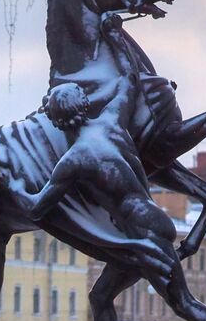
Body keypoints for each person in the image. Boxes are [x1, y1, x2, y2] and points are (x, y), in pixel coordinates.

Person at [11, 79, 177, 254]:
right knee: (111, 281)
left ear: (56, 122)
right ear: (84, 104)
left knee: (167, 279)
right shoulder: (111, 120)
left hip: (139, 229)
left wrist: (15, 187)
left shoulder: (74, 159)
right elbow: (128, 84)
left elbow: (36, 209)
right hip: (152, 218)